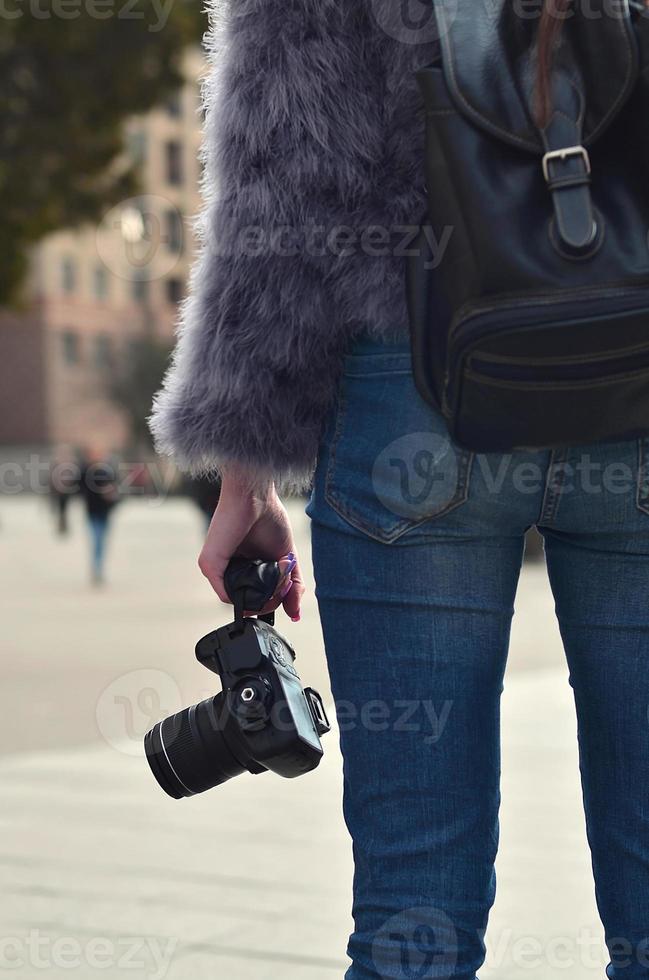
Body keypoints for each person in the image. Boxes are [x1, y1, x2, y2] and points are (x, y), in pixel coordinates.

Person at [149, 2, 649, 977]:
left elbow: (275, 214)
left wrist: (244, 477)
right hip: (635, 392)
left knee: (413, 899)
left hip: (410, 405)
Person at [78, 449, 119, 586]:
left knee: (101, 541)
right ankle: (96, 567)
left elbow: (117, 490)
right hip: (92, 512)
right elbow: (78, 489)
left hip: (105, 511)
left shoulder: (108, 472)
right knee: (97, 539)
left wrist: (110, 492)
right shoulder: (84, 471)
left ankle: (98, 567)